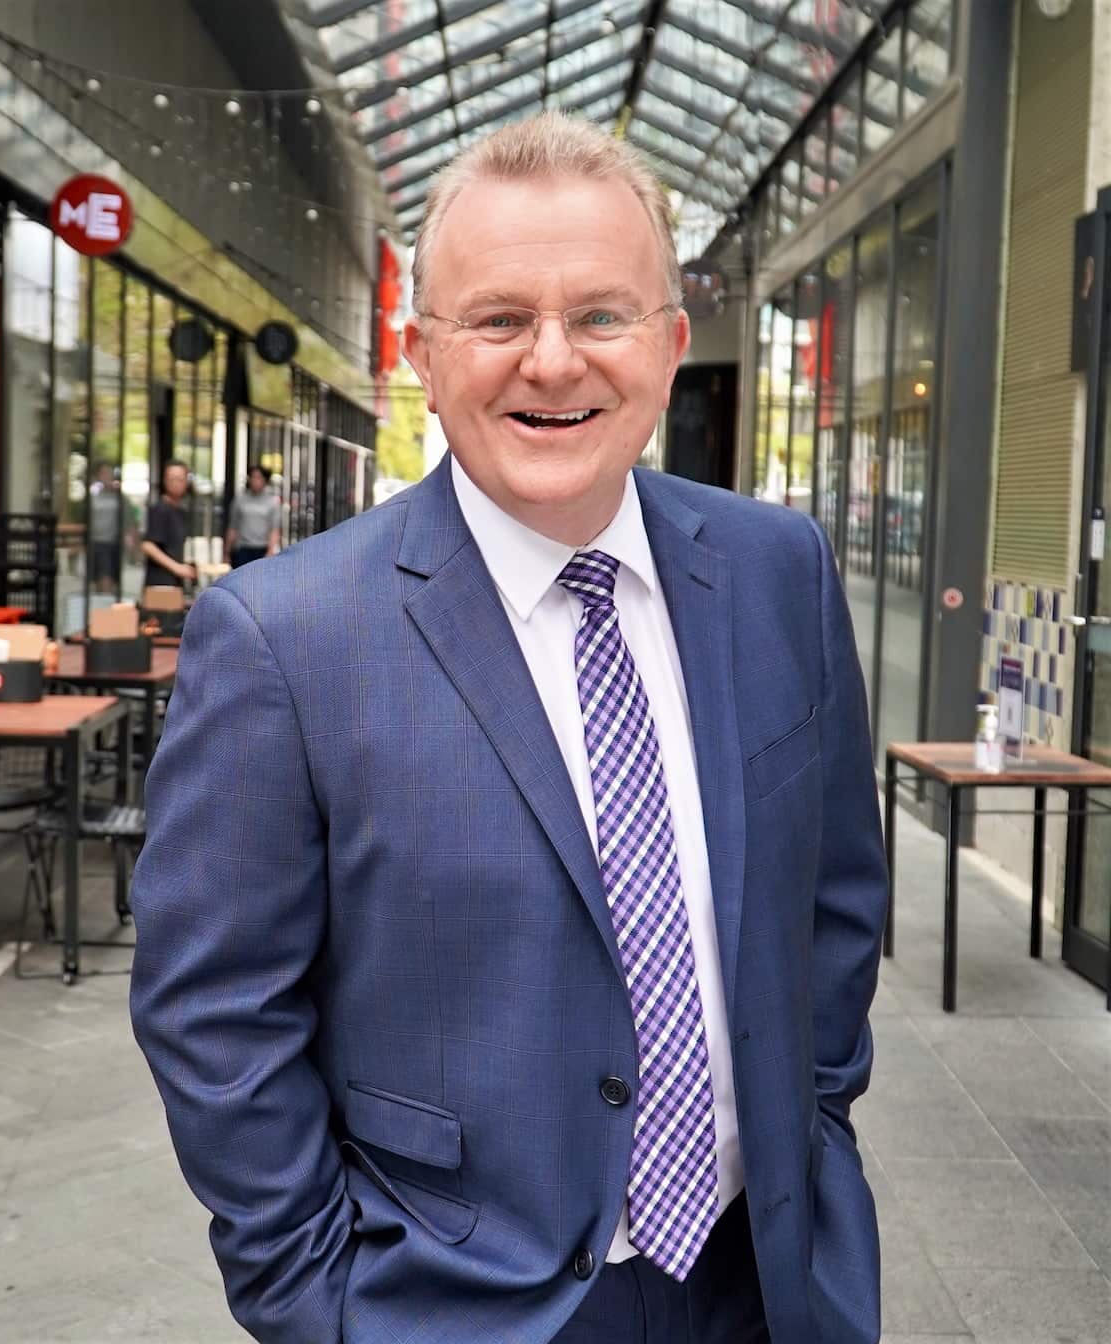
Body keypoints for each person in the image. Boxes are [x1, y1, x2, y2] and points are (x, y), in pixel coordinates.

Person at [131, 112, 887, 1344]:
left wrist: (818, 1136)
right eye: (497, 320)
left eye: (600, 315)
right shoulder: (283, 637)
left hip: (765, 1284)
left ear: (669, 345)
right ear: (423, 356)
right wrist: (322, 1307)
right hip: (453, 1307)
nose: (551, 362)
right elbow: (215, 1015)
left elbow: (834, 905)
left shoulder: (777, 573)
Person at [139, 458, 195, 590]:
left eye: (180, 479)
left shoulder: (180, 511)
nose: (176, 483)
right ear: (165, 481)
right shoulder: (159, 509)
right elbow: (148, 545)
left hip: (175, 582)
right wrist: (177, 568)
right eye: (172, 479)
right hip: (160, 582)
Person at [225, 462, 281, 568]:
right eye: (253, 477)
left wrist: (270, 550)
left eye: (258, 477)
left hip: (262, 548)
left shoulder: (272, 502)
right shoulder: (240, 500)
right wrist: (227, 551)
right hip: (243, 548)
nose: (255, 481)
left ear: (265, 480)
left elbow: (275, 529)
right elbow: (232, 527)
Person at [88, 462, 122, 594]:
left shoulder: (118, 497)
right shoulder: (94, 496)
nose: (107, 476)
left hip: (115, 543)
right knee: (102, 577)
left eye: (109, 473)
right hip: (98, 542)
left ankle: (108, 601)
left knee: (112, 579)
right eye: (103, 473)